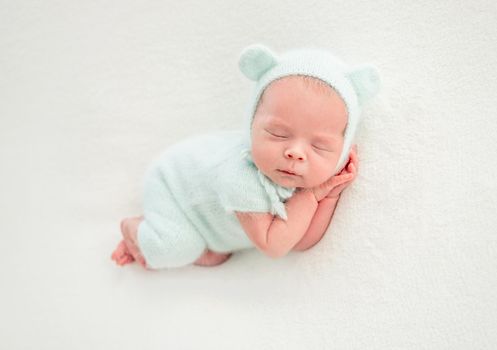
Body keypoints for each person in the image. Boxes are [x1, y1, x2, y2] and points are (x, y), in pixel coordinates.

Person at [111, 44, 381, 270]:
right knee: (173, 248)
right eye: (277, 134)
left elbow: (298, 242)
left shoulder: (302, 177)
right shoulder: (241, 177)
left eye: (320, 146)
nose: (296, 153)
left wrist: (328, 196)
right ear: (252, 125)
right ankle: (135, 228)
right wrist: (311, 196)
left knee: (208, 255)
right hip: (173, 187)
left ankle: (199, 243)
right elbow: (275, 244)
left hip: (205, 215)